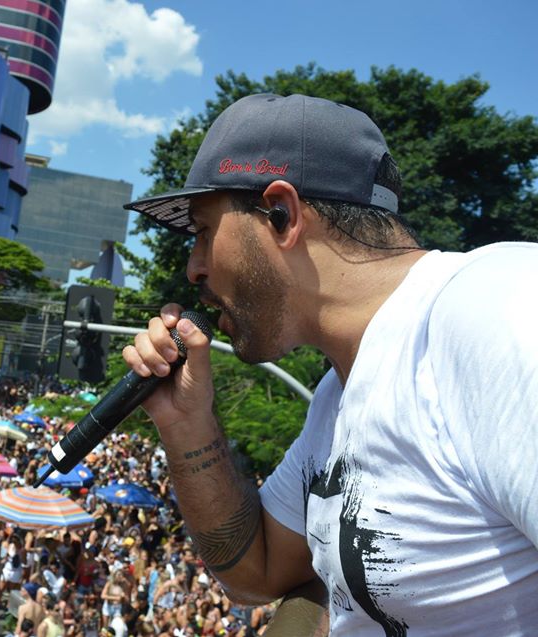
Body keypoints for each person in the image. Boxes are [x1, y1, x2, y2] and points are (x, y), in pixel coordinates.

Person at [122, 92, 538, 635]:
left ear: (282, 214)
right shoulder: (335, 396)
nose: (194, 268)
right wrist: (185, 423)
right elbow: (257, 572)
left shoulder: (497, 308)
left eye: (203, 233)